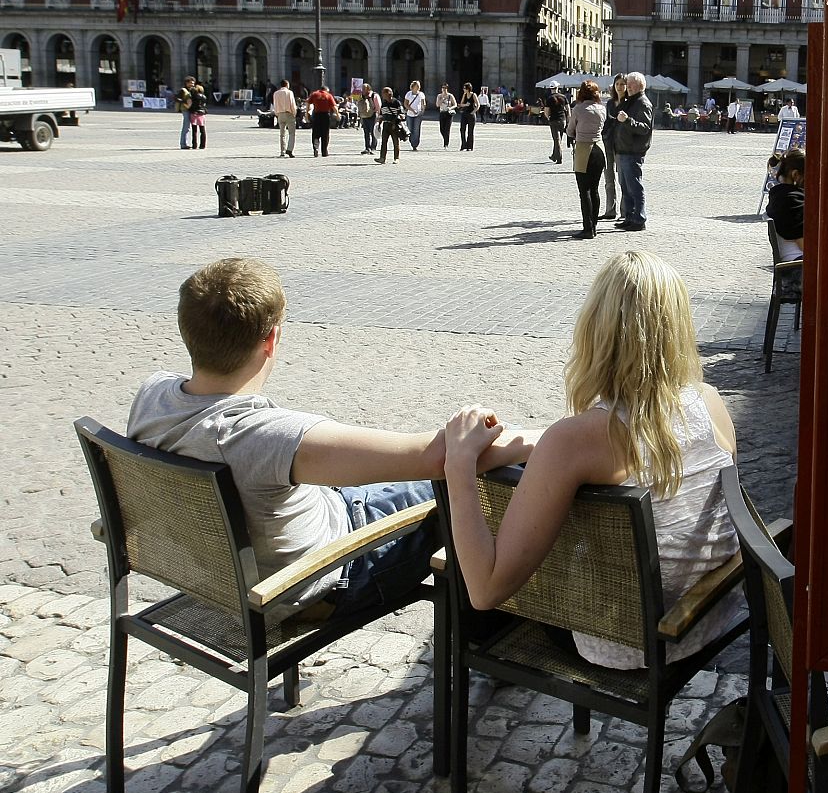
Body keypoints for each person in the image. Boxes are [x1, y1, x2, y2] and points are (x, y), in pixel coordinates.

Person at [126, 258, 535, 615]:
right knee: (476, 481)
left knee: (408, 483)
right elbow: (439, 456)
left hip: (222, 571)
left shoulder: (153, 394)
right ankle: (493, 629)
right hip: (322, 576)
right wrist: (550, 441)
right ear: (271, 340)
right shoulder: (266, 437)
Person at [440, 250, 742, 668]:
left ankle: (489, 677)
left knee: (463, 578)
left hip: (628, 640)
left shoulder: (576, 440)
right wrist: (540, 444)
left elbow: (486, 590)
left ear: (594, 329)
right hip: (706, 617)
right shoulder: (709, 403)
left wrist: (458, 464)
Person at [612, 71, 654, 232]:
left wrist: (627, 120)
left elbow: (644, 128)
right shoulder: (630, 101)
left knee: (634, 186)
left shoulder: (642, 103)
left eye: (631, 84)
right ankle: (629, 216)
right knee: (625, 186)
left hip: (633, 151)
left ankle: (639, 218)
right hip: (623, 150)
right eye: (627, 83)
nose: (627, 86)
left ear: (640, 86)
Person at [566, 80, 608, 239]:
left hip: (584, 149)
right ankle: (595, 225)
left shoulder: (578, 109)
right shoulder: (602, 109)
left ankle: (587, 228)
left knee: (585, 191)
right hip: (599, 149)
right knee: (595, 188)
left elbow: (570, 130)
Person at [765, 150, 805, 262]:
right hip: (798, 265)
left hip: (791, 262)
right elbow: (805, 246)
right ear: (796, 175)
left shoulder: (778, 196)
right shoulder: (793, 200)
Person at [601, 76, 626, 220]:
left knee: (623, 178)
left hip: (623, 144)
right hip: (608, 142)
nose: (620, 87)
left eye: (622, 84)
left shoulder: (629, 102)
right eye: (617, 84)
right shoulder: (610, 103)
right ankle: (610, 210)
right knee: (609, 177)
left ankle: (624, 211)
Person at [307, 83, 337, 157]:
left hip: (316, 115)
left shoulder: (314, 94)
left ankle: (315, 148)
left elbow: (308, 103)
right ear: (326, 90)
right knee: (325, 134)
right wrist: (338, 115)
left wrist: (307, 114)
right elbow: (334, 106)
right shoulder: (328, 95)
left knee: (316, 133)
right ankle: (324, 151)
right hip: (325, 115)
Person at [376, 86, 404, 164]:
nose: (383, 95)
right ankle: (382, 158)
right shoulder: (384, 103)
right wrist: (379, 123)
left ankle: (396, 158)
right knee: (384, 142)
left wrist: (398, 120)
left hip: (394, 124)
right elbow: (382, 114)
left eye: (384, 93)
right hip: (386, 124)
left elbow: (402, 113)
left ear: (389, 94)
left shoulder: (396, 102)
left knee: (395, 142)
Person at [543, 85, 570, 163]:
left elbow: (546, 111)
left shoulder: (549, 98)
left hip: (553, 120)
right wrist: (568, 119)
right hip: (562, 120)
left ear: (550, 89)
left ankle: (559, 157)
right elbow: (568, 109)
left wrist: (548, 118)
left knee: (556, 139)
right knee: (559, 138)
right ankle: (554, 156)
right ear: (557, 88)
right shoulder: (563, 97)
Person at [272, 80, 298, 158]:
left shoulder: (276, 93)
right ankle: (289, 149)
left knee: (282, 134)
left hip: (280, 114)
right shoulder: (289, 92)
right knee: (291, 133)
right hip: (289, 114)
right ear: (287, 85)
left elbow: (275, 104)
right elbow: (292, 104)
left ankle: (282, 151)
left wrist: (277, 114)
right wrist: (294, 113)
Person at [403, 80, 426, 151]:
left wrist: (422, 110)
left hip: (418, 115)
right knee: (410, 129)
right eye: (417, 85)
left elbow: (423, 103)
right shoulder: (408, 94)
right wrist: (412, 110)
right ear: (413, 87)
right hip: (410, 114)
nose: (418, 87)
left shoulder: (421, 94)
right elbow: (405, 104)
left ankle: (415, 145)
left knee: (416, 130)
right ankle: (411, 141)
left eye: (419, 86)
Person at [186, 78, 209, 150]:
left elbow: (190, 104)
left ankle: (194, 145)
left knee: (194, 130)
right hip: (202, 114)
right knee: (202, 130)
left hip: (194, 113)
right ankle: (203, 145)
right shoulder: (204, 97)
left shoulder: (193, 96)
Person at [175, 76, 196, 150]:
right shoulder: (183, 90)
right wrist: (185, 102)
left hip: (190, 109)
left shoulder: (192, 90)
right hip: (185, 109)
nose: (192, 85)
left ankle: (185, 143)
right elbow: (176, 98)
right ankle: (183, 144)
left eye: (193, 83)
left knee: (188, 127)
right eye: (190, 83)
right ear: (186, 83)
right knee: (186, 127)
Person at [358, 85, 379, 155]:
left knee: (373, 132)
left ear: (368, 89)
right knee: (366, 133)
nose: (363, 90)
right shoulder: (361, 96)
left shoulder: (374, 95)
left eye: (364, 89)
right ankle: (367, 148)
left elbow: (378, 106)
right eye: (362, 89)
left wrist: (378, 116)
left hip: (373, 115)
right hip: (364, 116)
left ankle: (373, 147)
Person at [458, 84, 478, 151]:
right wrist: (465, 105)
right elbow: (461, 104)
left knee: (470, 131)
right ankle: (463, 145)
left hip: (471, 115)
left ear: (468, 89)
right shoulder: (464, 95)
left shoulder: (473, 95)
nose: (463, 89)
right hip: (464, 114)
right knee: (462, 129)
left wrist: (473, 112)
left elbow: (478, 105)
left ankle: (470, 146)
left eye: (464, 88)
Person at [436, 83, 457, 147]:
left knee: (447, 129)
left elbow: (455, 104)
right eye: (443, 88)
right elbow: (437, 105)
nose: (444, 89)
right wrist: (442, 99)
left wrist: (450, 108)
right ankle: (445, 139)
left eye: (445, 88)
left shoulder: (450, 96)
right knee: (442, 129)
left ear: (447, 89)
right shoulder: (439, 96)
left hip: (448, 114)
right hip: (442, 113)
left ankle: (446, 144)